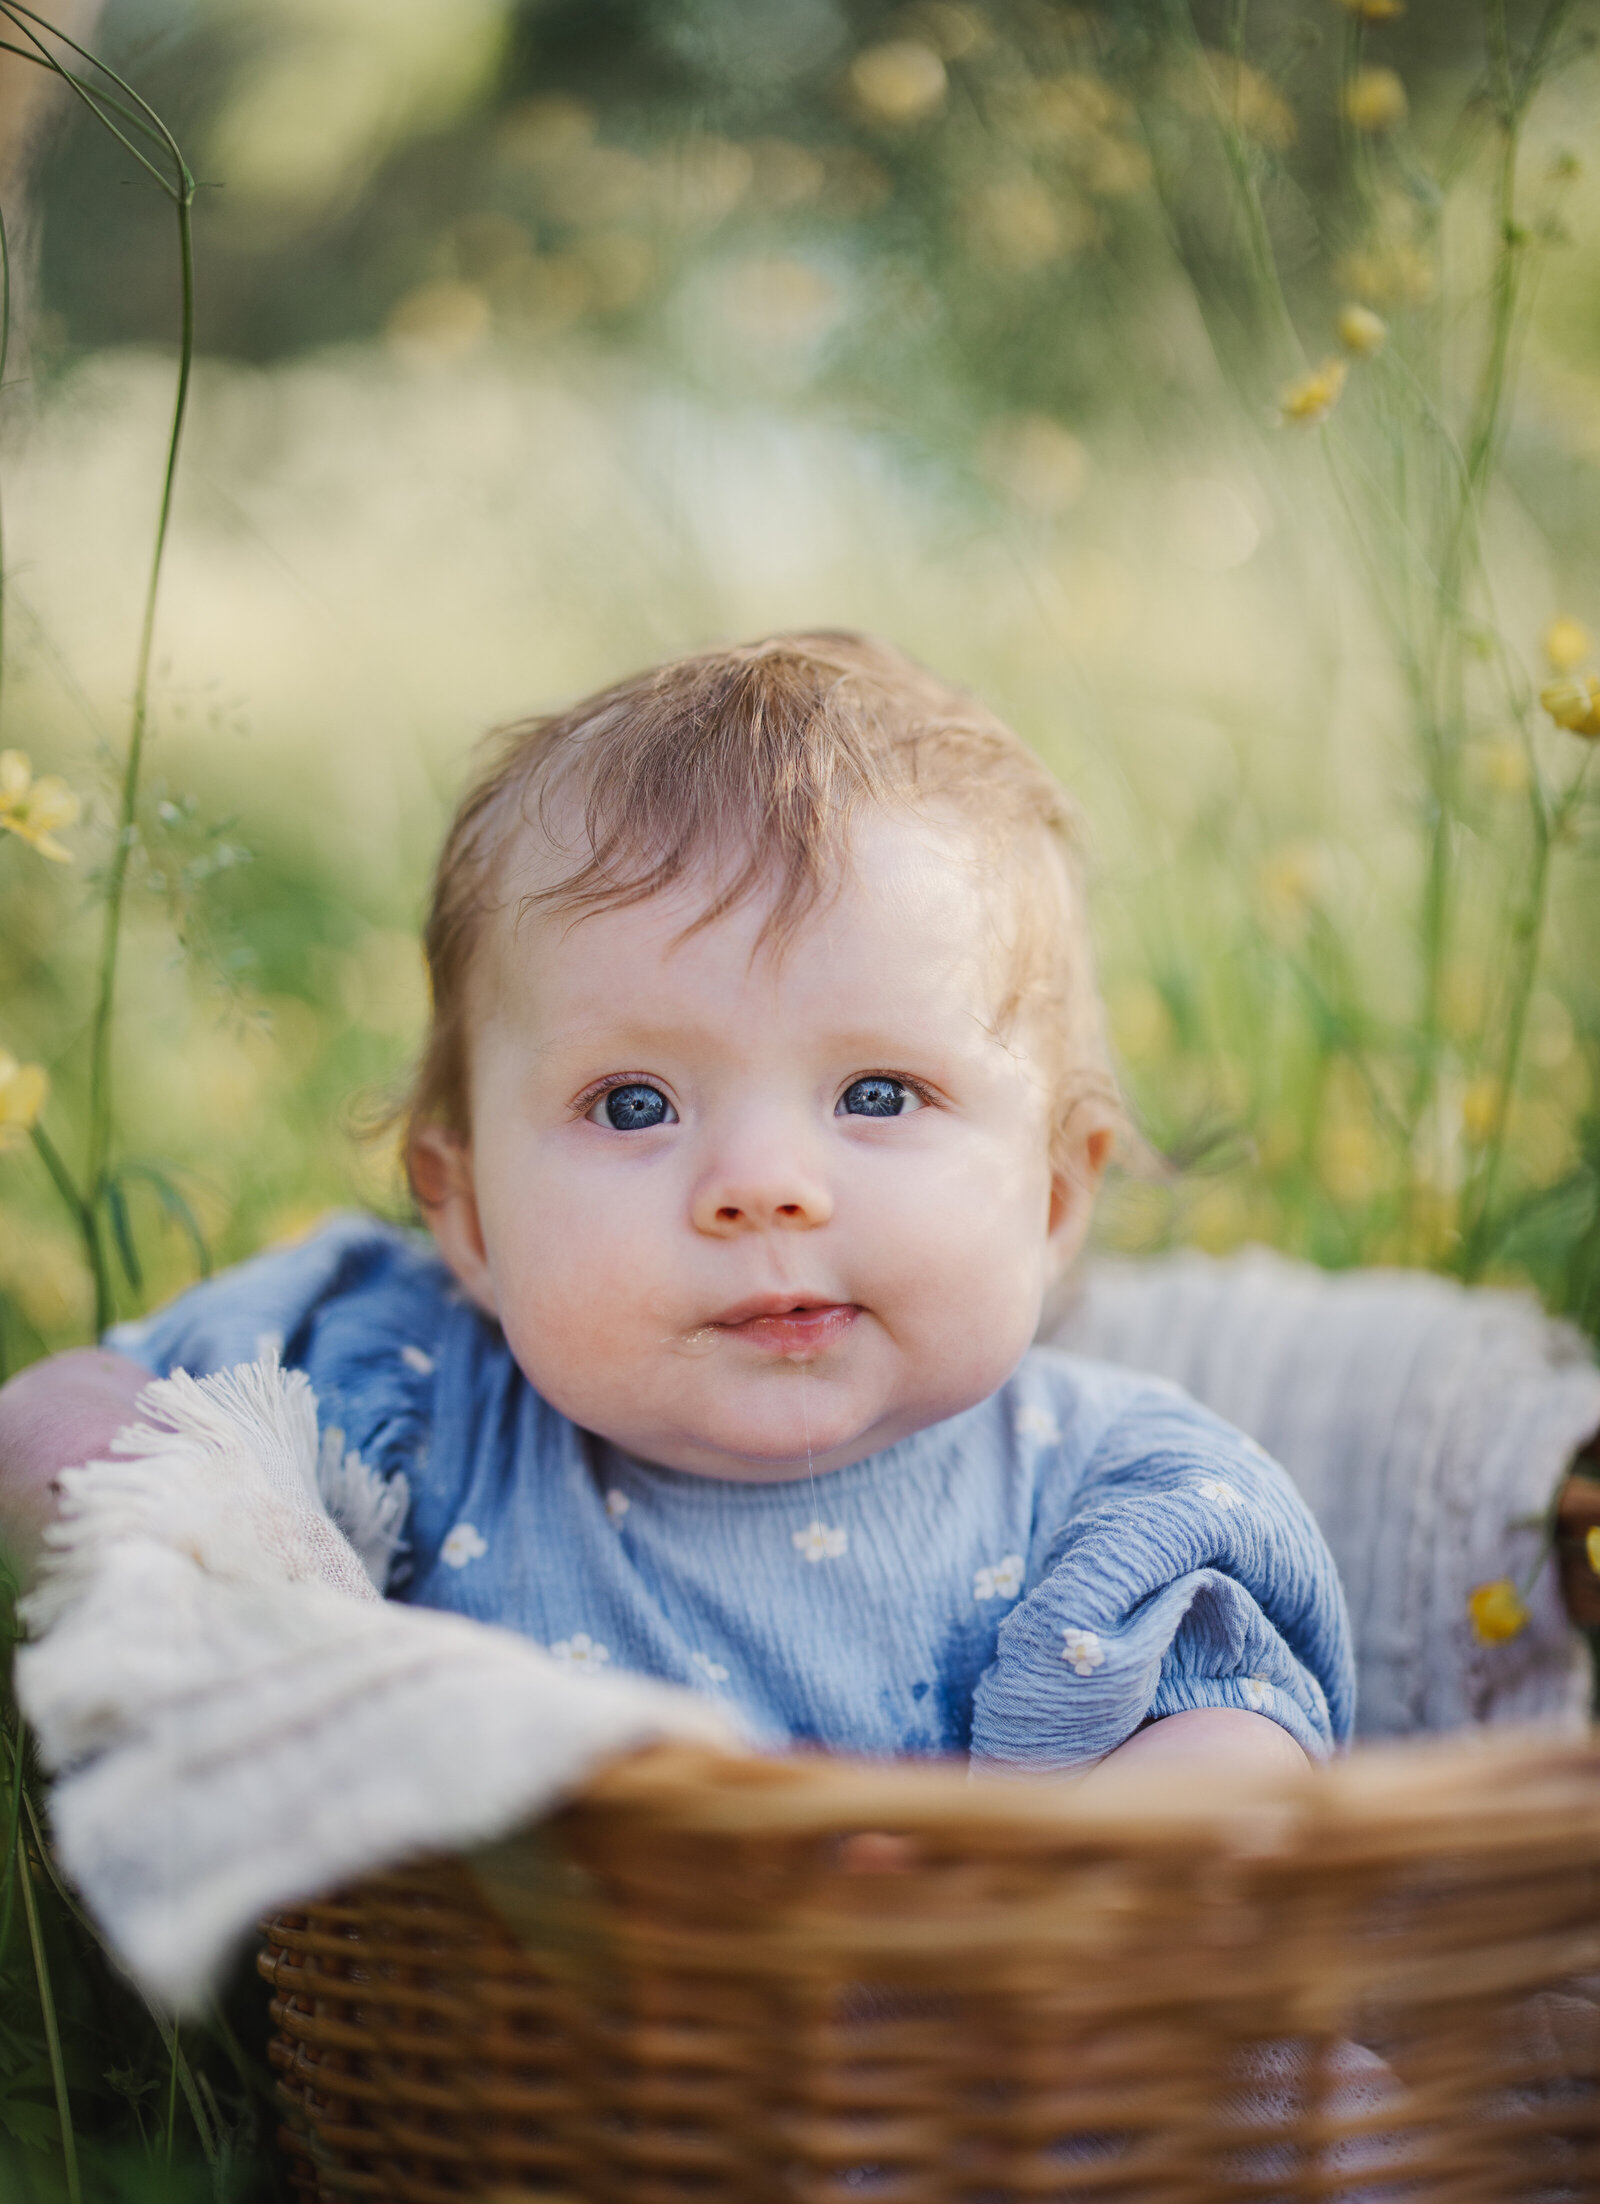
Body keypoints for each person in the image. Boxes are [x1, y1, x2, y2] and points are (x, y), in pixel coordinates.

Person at [0, 631, 1351, 1781]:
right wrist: (247, 1585)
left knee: (1321, 2093)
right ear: (466, 1222)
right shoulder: (409, 1383)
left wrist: (1005, 1894)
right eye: (634, 1105)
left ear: (1054, 1201)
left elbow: (1244, 1775)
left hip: (1015, 2070)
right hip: (517, 2067)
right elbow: (51, 1432)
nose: (762, 1185)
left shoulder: (1112, 1493)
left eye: (877, 1094)